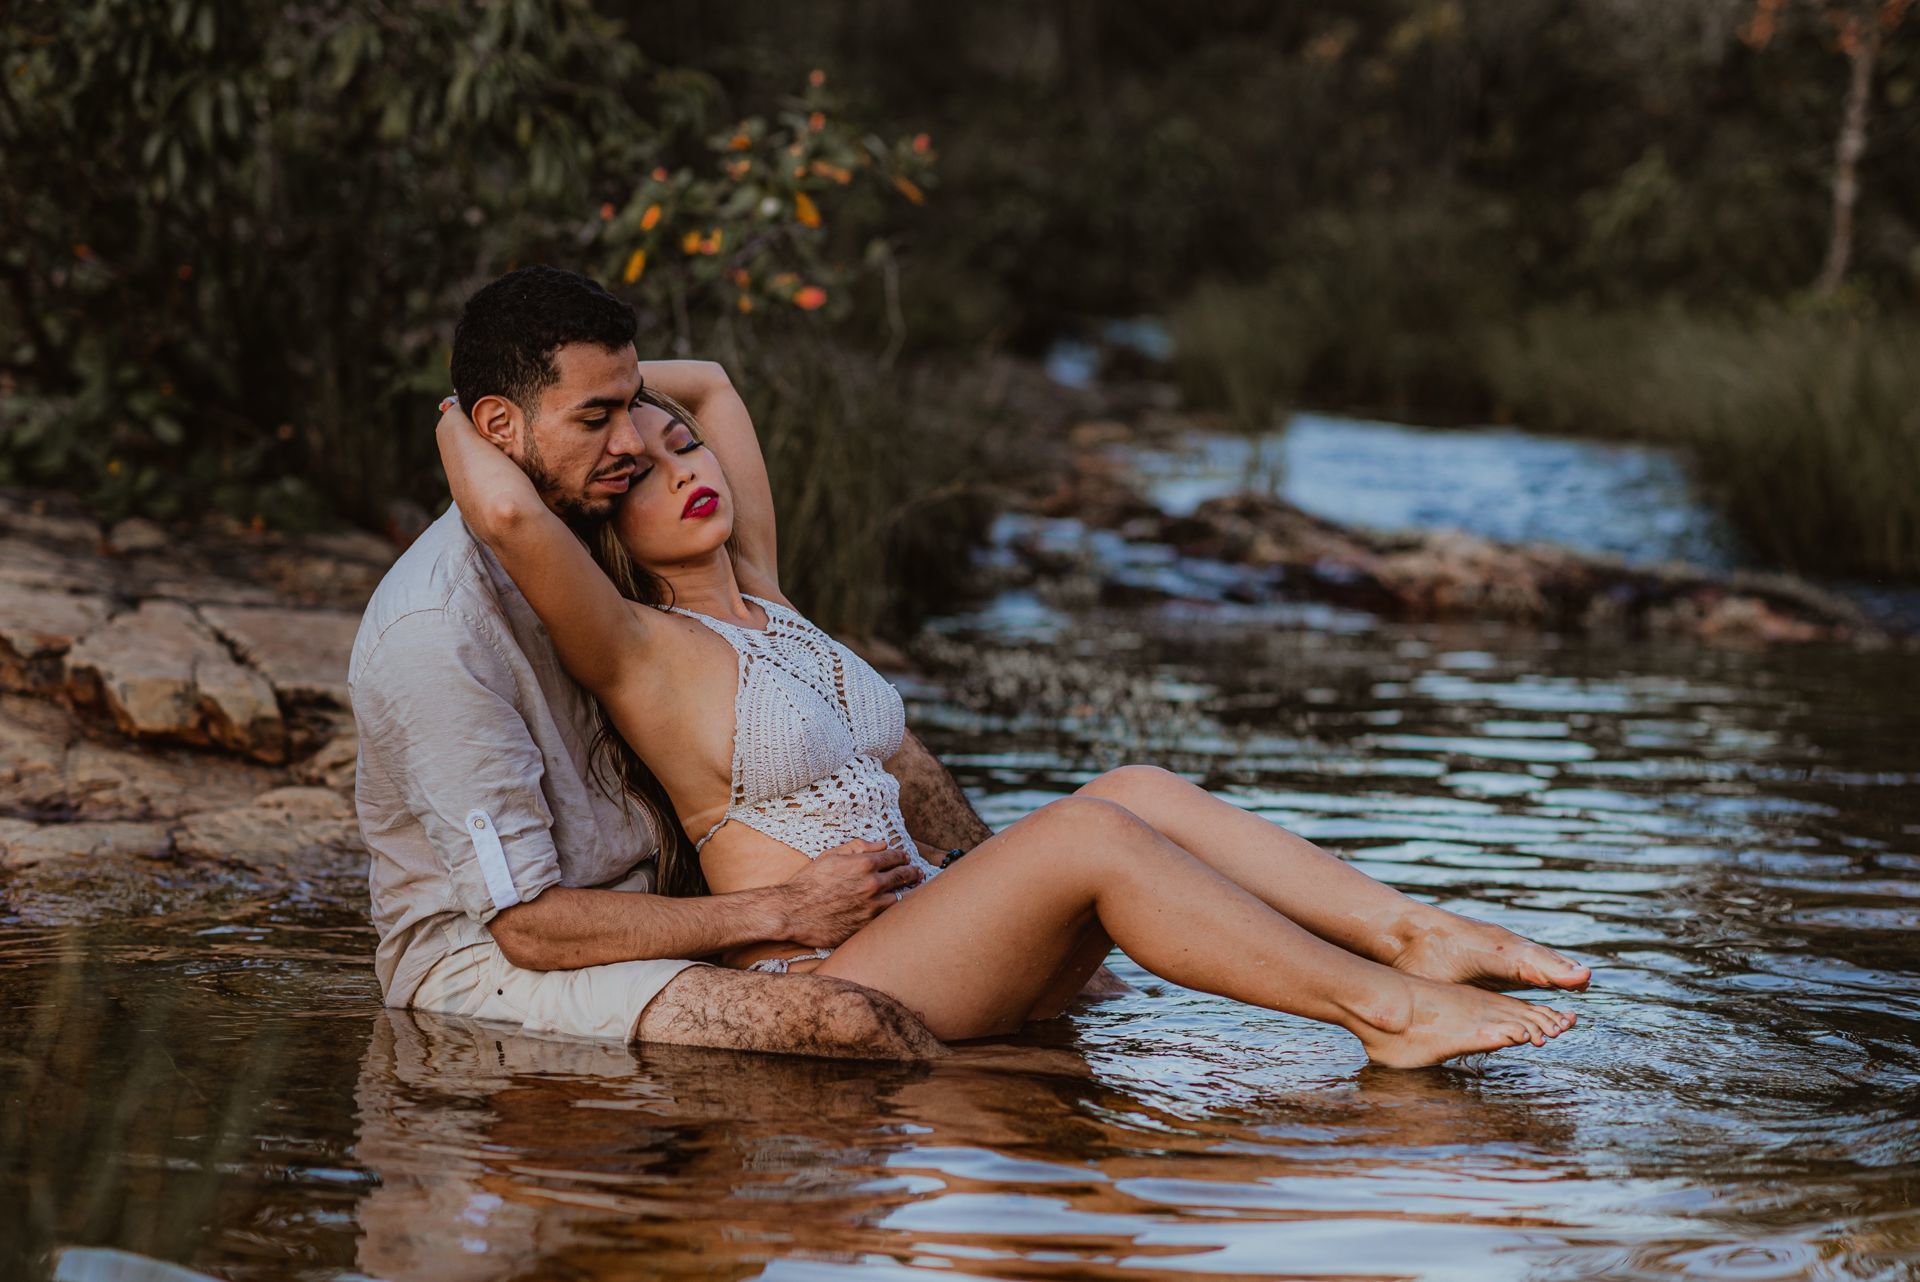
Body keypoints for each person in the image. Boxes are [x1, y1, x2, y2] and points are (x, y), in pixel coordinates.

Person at [432, 266, 1590, 1068]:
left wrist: (628, 400)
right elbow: (509, 516)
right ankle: (1382, 1012)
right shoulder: (639, 648)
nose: (678, 462)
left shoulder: (769, 601)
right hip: (833, 968)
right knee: (1086, 834)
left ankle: (1405, 933)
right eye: (633, 470)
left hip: (933, 930)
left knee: (1129, 786)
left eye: (674, 441)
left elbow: (721, 381)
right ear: (610, 532)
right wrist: (466, 412)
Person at [353, 264, 1134, 1060]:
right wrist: (782, 911)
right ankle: (986, 1168)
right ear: (498, 429)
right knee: (850, 1020)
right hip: (503, 953)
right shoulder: (438, 628)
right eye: (595, 417)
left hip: (667, 892)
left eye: (632, 407)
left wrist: (993, 896)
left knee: (893, 751)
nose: (630, 442)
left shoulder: (595, 505)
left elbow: (707, 388)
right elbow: (527, 924)